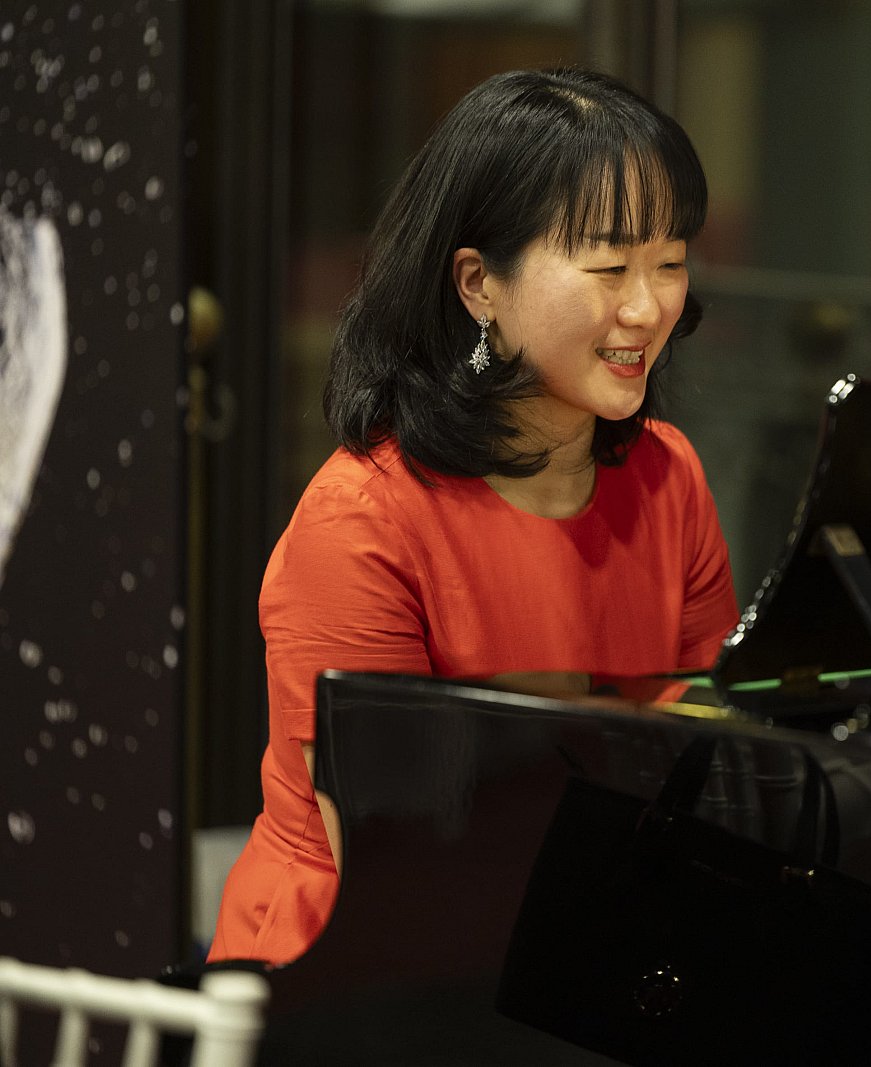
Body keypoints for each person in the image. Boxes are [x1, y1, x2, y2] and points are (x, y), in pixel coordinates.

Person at [207, 67, 739, 966]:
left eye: (671, 262)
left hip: (586, 941)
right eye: (610, 267)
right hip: (360, 973)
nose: (647, 308)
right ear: (478, 283)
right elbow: (394, 859)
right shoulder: (362, 521)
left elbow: (713, 744)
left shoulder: (667, 476)